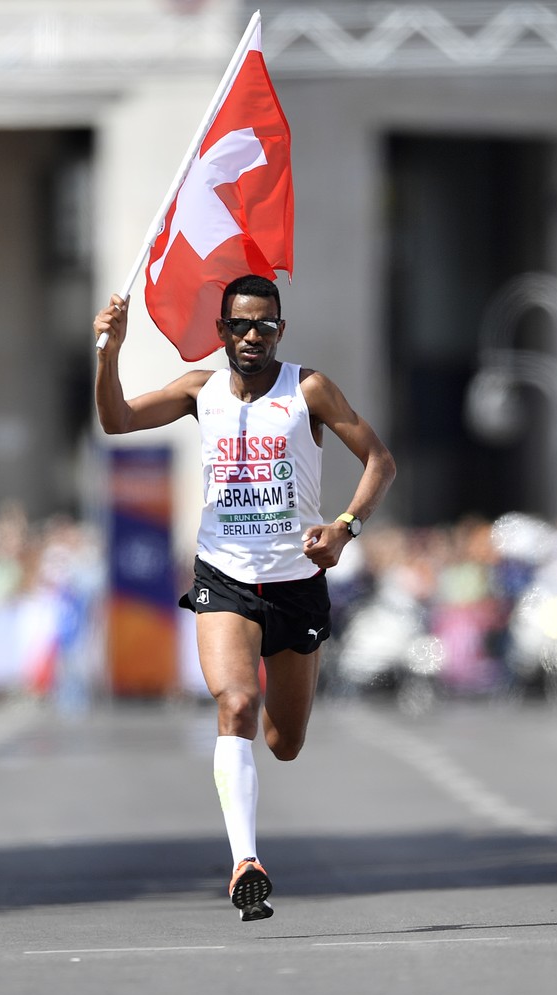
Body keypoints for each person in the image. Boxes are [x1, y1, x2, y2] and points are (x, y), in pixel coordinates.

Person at [92, 274, 396, 921]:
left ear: (279, 331)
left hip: (296, 583)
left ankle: (254, 795)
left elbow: (380, 461)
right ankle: (245, 863)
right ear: (222, 333)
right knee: (236, 702)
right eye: (239, 325)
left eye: (263, 325)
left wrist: (345, 529)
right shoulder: (199, 391)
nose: (251, 336)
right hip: (224, 576)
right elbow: (116, 420)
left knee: (284, 741)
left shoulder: (307, 390)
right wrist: (109, 351)